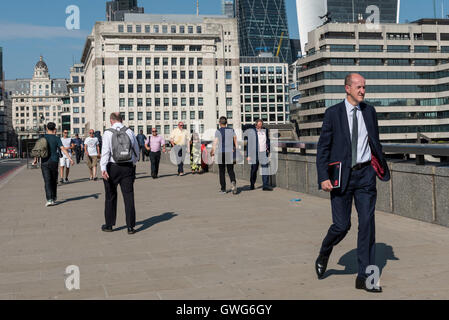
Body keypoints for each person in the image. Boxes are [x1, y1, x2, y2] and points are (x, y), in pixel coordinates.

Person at [314, 73, 390, 293]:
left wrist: (379, 165)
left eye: (364, 87)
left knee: (367, 223)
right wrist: (323, 177)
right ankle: (325, 251)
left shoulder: (370, 112)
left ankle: (365, 277)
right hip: (340, 177)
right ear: (347, 88)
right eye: (359, 87)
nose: (363, 91)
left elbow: (374, 141)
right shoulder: (333, 114)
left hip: (365, 175)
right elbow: (323, 149)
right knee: (341, 225)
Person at [100, 112, 140, 234]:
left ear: (111, 120)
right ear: (121, 120)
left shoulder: (108, 132)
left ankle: (109, 224)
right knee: (129, 197)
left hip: (112, 167)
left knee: (110, 196)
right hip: (127, 167)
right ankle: (130, 227)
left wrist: (103, 168)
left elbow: (105, 151)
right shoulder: (129, 131)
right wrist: (133, 161)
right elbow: (136, 149)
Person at [32, 122, 74, 207]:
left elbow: (38, 149)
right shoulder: (57, 138)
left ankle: (49, 199)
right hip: (54, 161)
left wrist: (35, 160)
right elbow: (63, 149)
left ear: (47, 128)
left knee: (47, 181)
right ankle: (54, 197)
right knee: (54, 180)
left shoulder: (42, 137)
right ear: (54, 129)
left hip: (44, 161)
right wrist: (70, 158)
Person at [210, 116, 237, 195]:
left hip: (221, 153)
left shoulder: (218, 131)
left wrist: (212, 151)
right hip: (230, 152)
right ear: (226, 123)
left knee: (221, 171)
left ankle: (223, 189)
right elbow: (235, 139)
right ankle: (233, 181)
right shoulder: (231, 130)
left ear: (219, 123)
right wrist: (235, 148)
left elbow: (215, 142)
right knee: (230, 170)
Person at [246, 119, 272, 191]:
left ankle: (265, 185)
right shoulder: (252, 132)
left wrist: (268, 148)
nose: (260, 126)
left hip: (263, 153)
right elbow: (249, 144)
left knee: (265, 169)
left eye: (261, 124)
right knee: (254, 169)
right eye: (259, 124)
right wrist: (248, 155)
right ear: (256, 124)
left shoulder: (265, 130)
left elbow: (267, 140)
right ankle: (252, 184)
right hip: (254, 154)